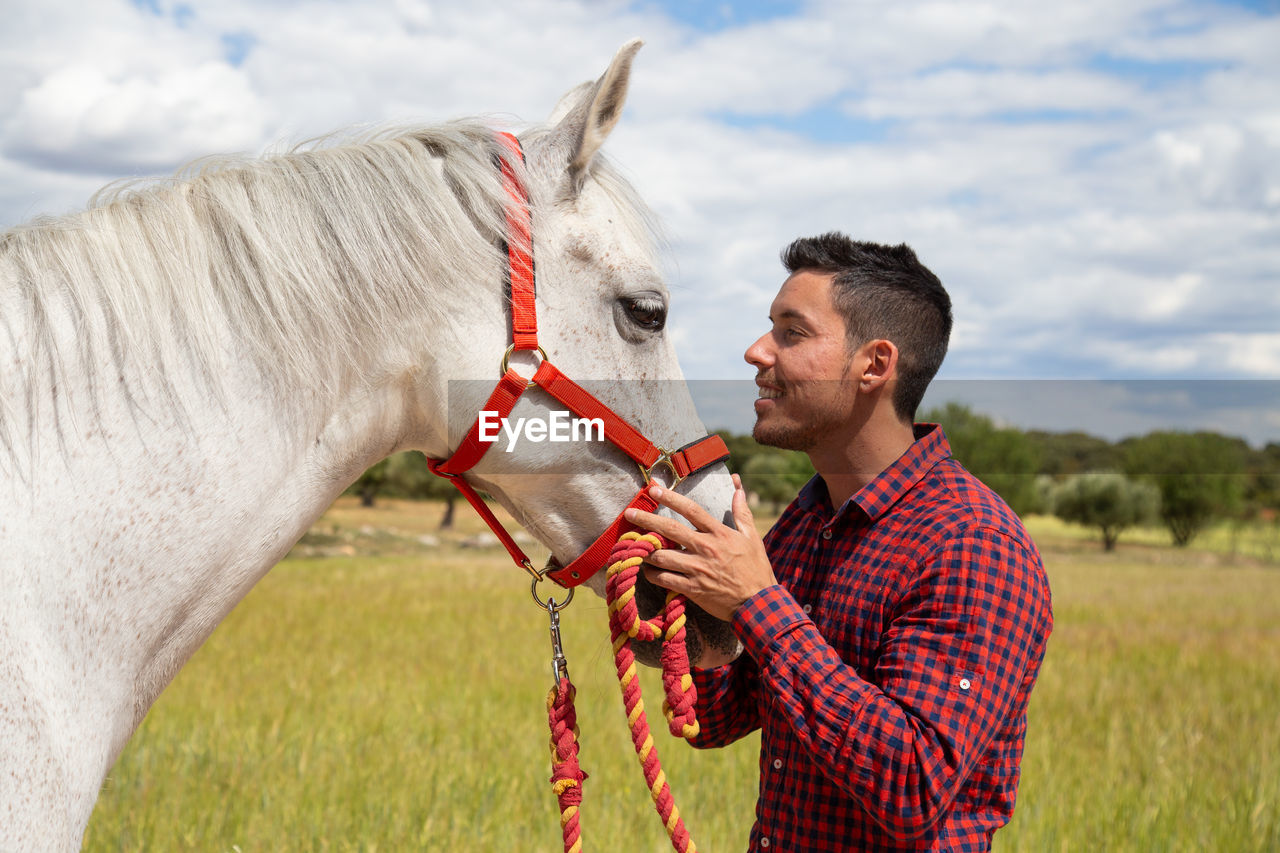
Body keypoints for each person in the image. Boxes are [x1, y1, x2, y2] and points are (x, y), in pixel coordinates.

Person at [624, 233, 1053, 852]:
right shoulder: (805, 524)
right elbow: (715, 717)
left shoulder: (972, 544)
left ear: (874, 365)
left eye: (791, 334)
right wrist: (642, 574)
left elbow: (912, 785)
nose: (755, 351)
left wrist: (756, 604)